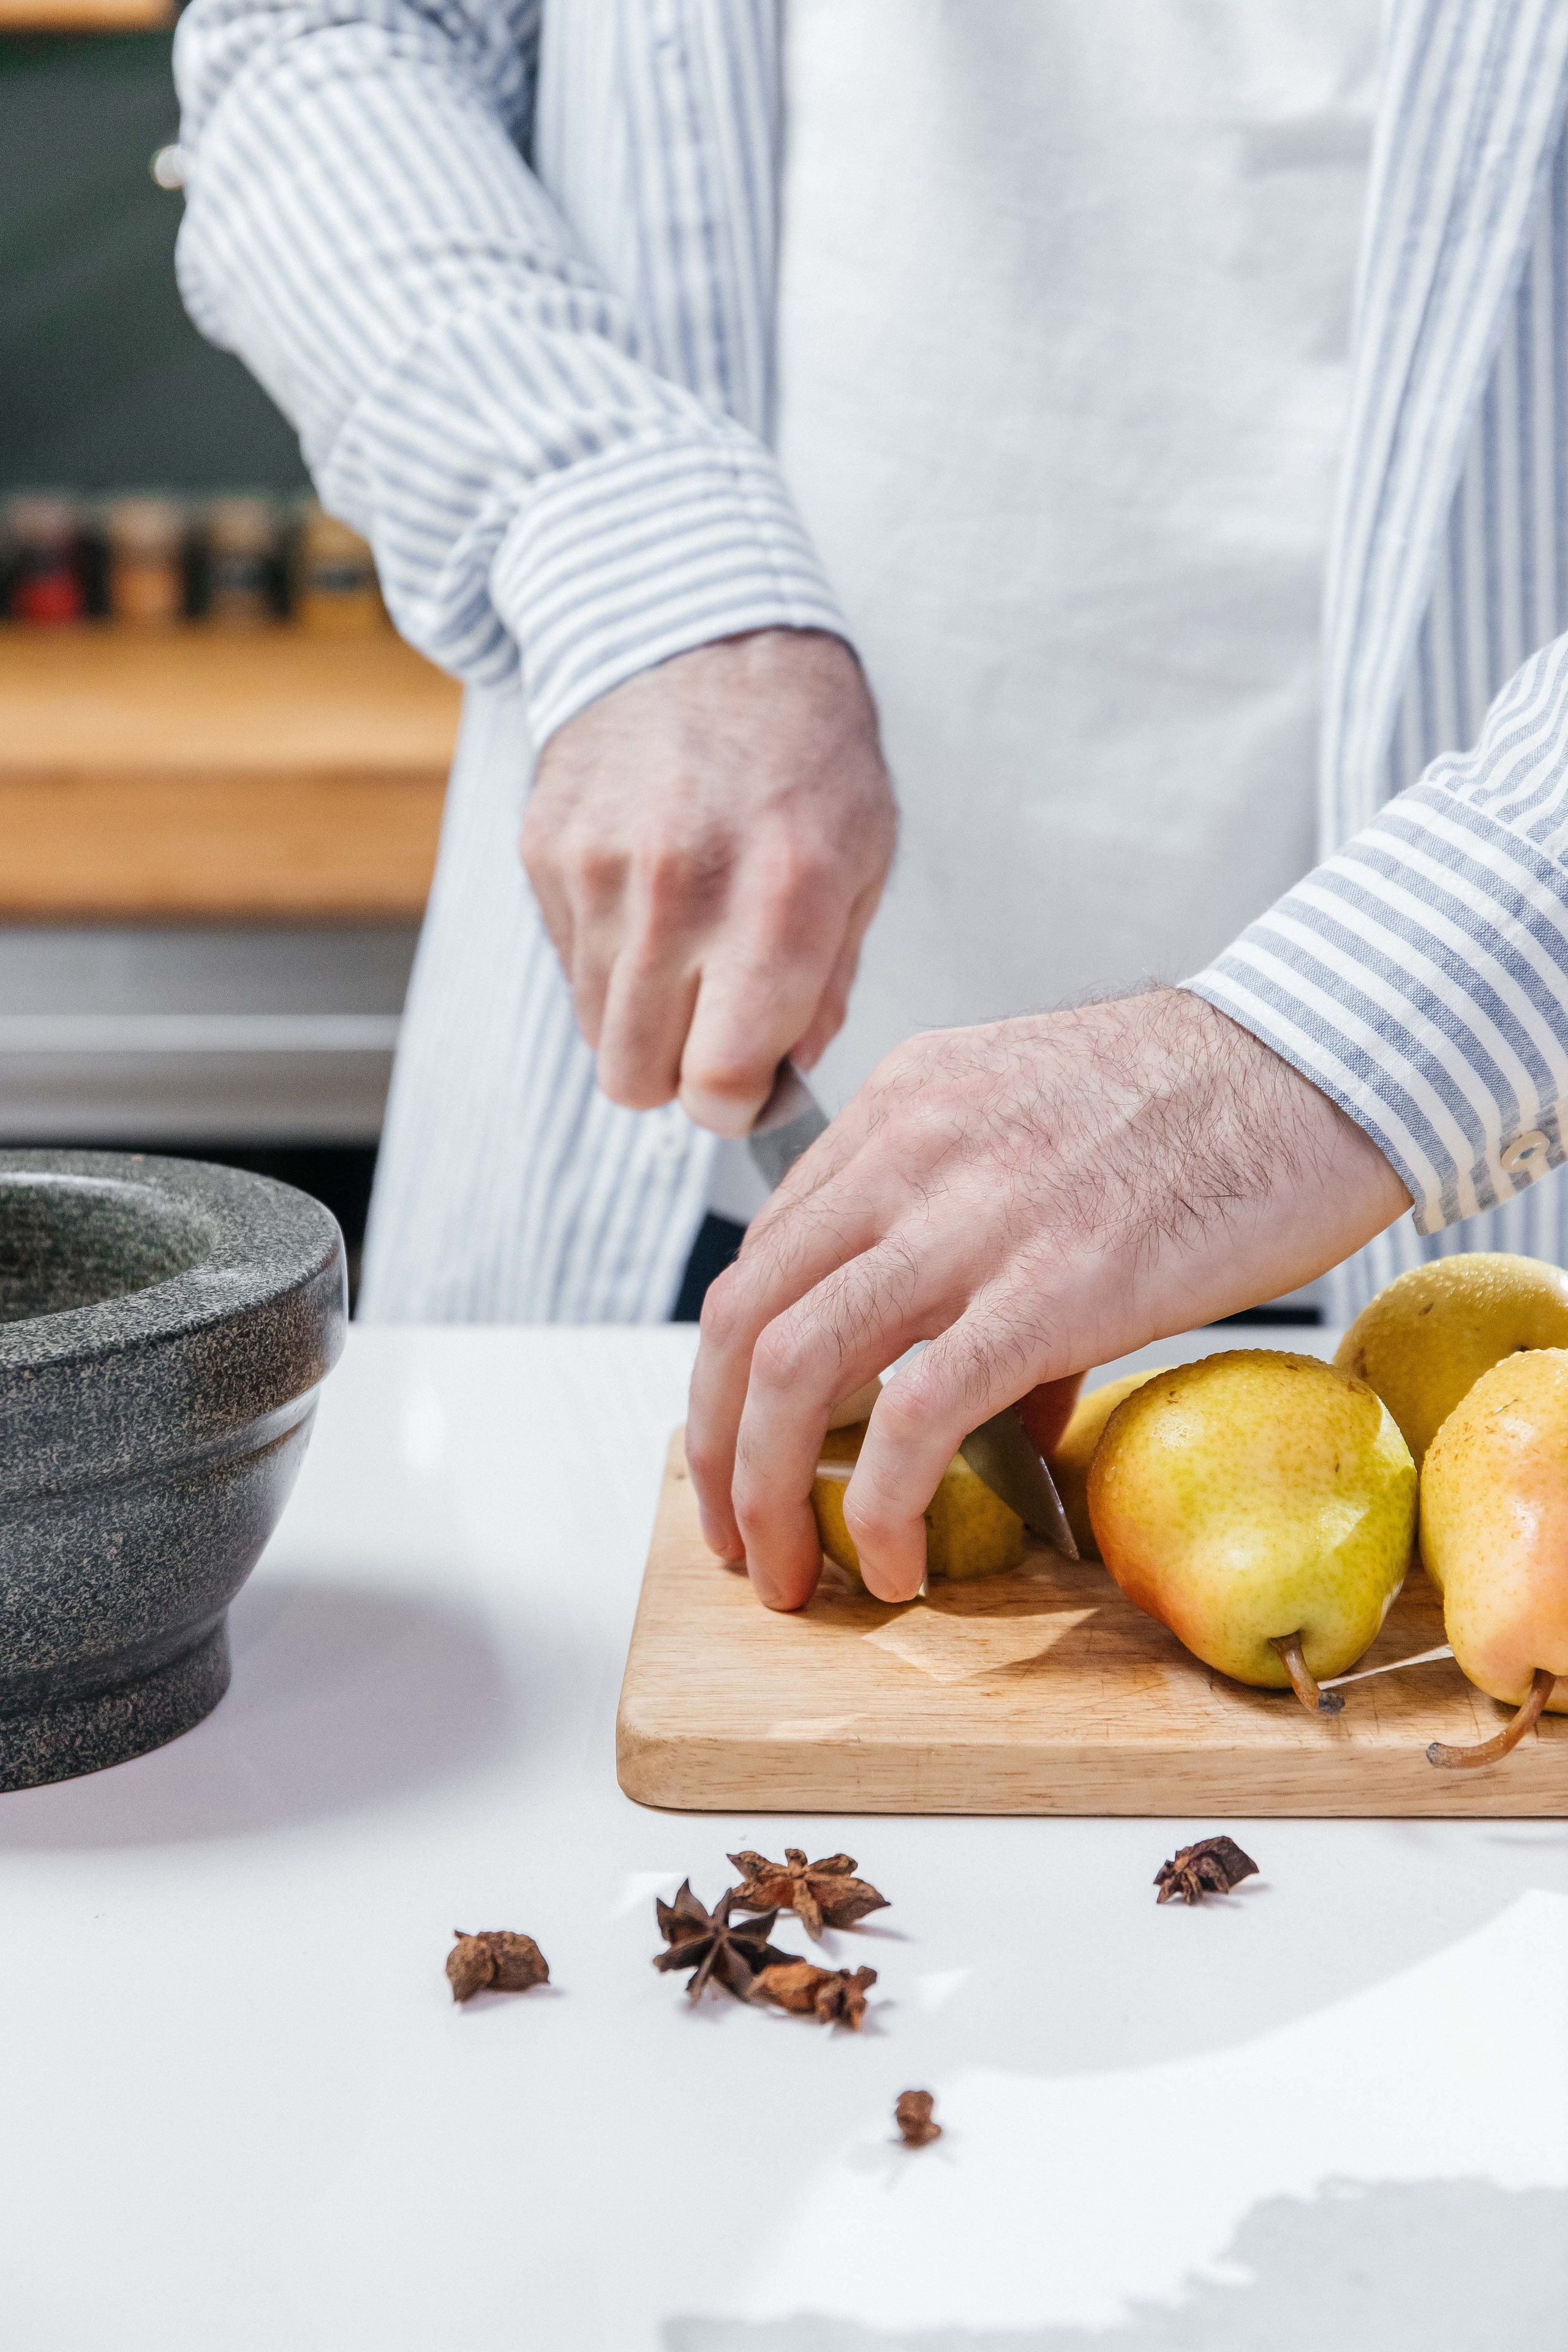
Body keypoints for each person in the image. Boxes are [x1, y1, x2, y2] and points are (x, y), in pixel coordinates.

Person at [175, 2, 1568, 1597]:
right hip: (663, 1229)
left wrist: (1344, 1041)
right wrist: (627, 543)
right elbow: (324, 35)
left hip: (1500, 1256)